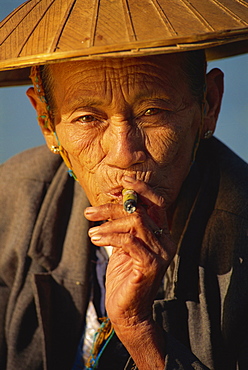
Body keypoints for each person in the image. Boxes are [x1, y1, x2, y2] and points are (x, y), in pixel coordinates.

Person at [0, 1, 248, 369]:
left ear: (208, 105)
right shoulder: (13, 199)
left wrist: (139, 330)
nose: (123, 153)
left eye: (153, 112)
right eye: (88, 118)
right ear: (47, 123)